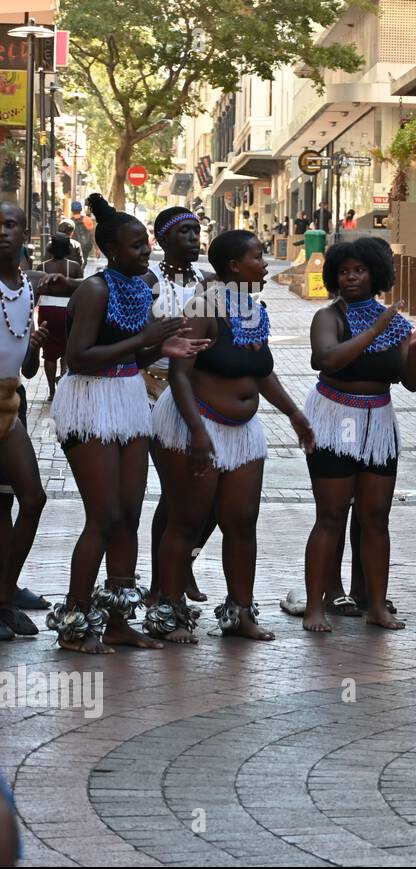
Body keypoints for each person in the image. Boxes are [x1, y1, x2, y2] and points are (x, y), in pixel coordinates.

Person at [46, 194, 208, 653]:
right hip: (89, 400)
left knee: (130, 517)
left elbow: (134, 354)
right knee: (103, 516)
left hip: (128, 396)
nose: (146, 253)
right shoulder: (95, 289)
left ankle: (118, 620)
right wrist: (146, 339)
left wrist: (162, 350)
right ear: (111, 251)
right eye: (136, 247)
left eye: (146, 245)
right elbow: (78, 357)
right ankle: (76, 623)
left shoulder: (139, 287)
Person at [147, 230, 313, 641]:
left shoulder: (252, 309)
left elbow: (261, 371)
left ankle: (240, 613)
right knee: (186, 521)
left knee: (242, 523)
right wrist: (198, 432)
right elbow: (180, 375)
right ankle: (170, 613)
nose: (265, 263)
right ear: (235, 266)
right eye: (258, 256)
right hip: (195, 422)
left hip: (243, 432)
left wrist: (294, 413)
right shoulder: (203, 306)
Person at [301, 237, 416, 633]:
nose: (352, 277)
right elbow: (326, 359)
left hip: (378, 421)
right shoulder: (329, 316)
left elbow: (411, 383)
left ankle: (375, 604)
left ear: (376, 274)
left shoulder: (394, 322)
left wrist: (412, 347)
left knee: (375, 517)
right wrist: (377, 327)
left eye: (359, 270)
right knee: (331, 516)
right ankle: (313, 607)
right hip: (335, 416)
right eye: (344, 271)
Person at [143, 207, 215, 605]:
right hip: (150, 389)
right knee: (175, 491)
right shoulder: (149, 280)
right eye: (185, 232)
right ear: (164, 239)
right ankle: (160, 582)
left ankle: (183, 563)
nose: (193, 238)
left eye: (197, 231)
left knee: (205, 495)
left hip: (195, 389)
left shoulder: (209, 282)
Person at [0, 202, 50, 640]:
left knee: (31, 499)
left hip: (8, 404)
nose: (3, 232)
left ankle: (4, 597)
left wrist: (34, 344)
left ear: (25, 233)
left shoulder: (25, 287)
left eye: (11, 224)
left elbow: (30, 370)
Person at [37, 235, 82, 401]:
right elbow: (80, 287)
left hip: (47, 309)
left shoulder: (42, 266)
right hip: (67, 309)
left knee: (49, 351)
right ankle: (63, 380)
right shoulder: (74, 266)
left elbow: (37, 288)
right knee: (65, 345)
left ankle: (51, 391)